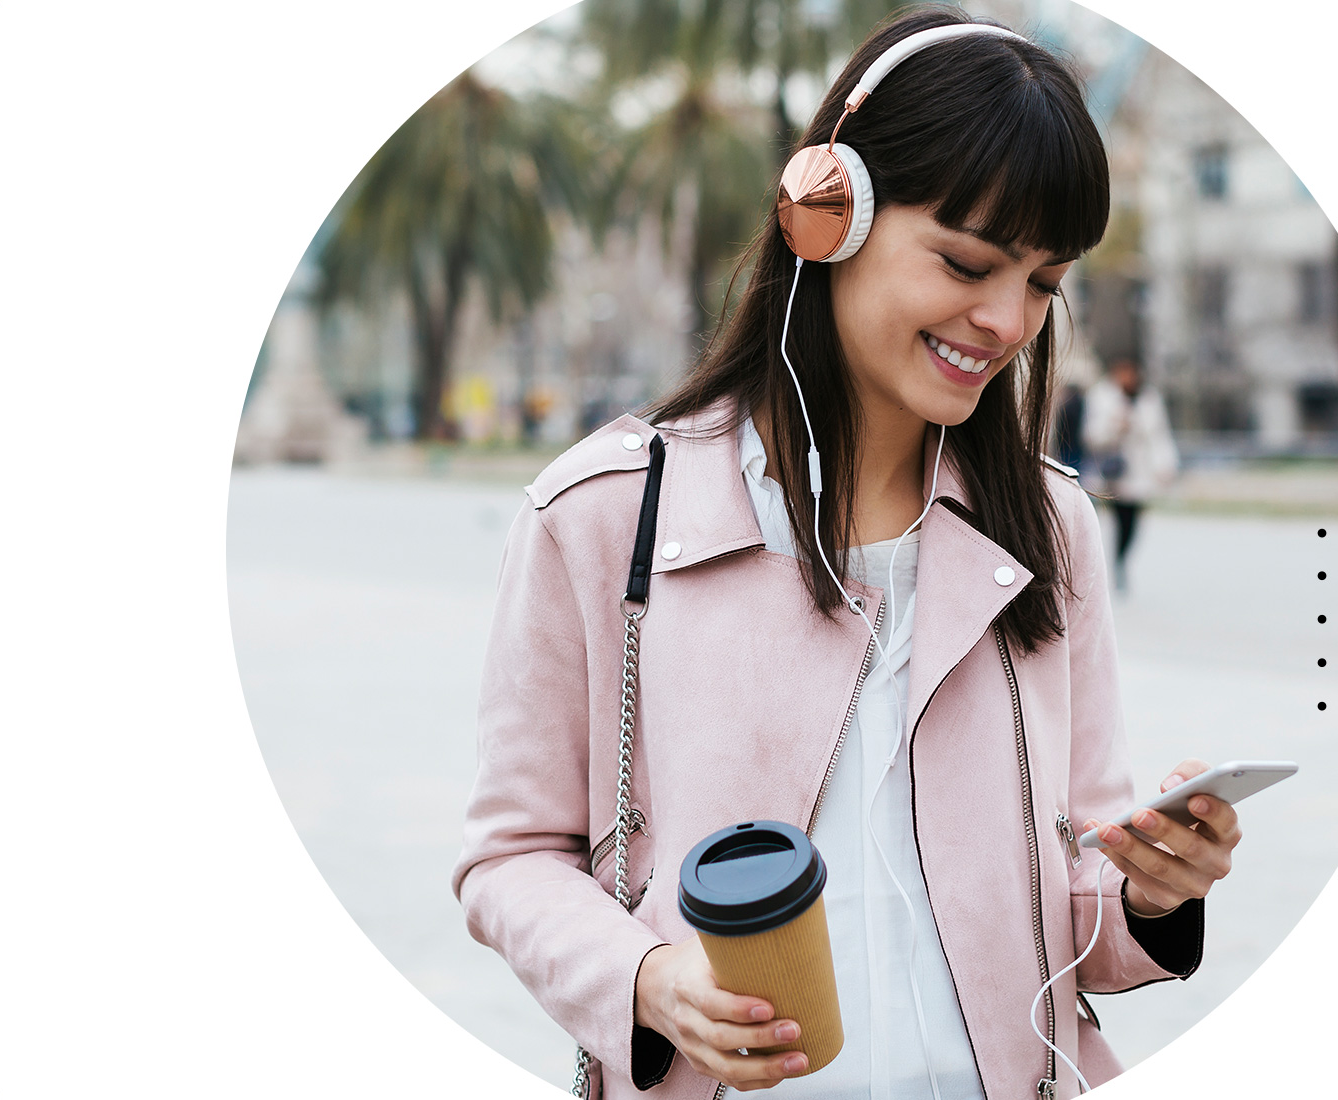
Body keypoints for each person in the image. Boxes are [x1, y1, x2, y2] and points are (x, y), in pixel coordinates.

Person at [454, 9, 1244, 1099]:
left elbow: (1076, 907)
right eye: (968, 262)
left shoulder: (1050, 526)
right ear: (827, 214)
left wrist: (1153, 891)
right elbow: (510, 856)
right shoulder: (599, 516)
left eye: (1044, 282)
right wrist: (644, 977)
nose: (1008, 320)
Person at [1077, 359, 1176, 593]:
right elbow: (1090, 434)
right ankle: (1103, 567)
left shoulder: (1149, 398)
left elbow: (1159, 435)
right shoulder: (1101, 396)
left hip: (1137, 471)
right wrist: (1114, 427)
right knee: (1107, 521)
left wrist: (1165, 465)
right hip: (1109, 471)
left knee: (1131, 522)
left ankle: (1120, 560)